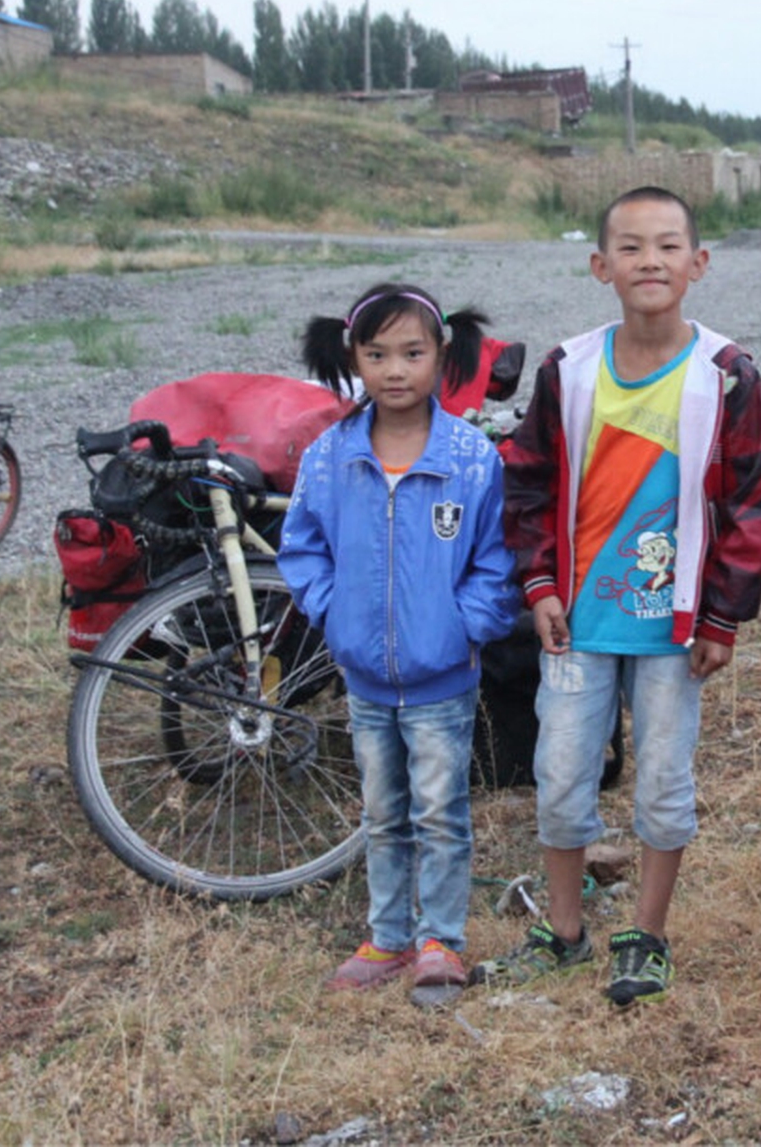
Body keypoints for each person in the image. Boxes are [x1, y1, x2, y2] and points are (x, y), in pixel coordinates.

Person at [476, 185, 761, 1007]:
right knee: (562, 772)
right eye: (633, 247)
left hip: (674, 629)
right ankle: (565, 930)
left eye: (670, 245)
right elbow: (528, 484)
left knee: (663, 783)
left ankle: (646, 933)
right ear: (600, 265)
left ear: (700, 263)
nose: (653, 261)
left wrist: (723, 614)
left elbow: (750, 505)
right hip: (577, 622)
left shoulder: (726, 375)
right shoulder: (569, 371)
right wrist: (538, 584)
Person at [278, 282, 519, 994]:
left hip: (444, 678)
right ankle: (386, 938)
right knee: (383, 812)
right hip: (364, 678)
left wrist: (461, 627)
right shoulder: (331, 457)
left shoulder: (473, 458)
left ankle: (439, 938)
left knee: (441, 810)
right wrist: (337, 614)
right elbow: (302, 547)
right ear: (351, 356)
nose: (394, 369)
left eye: (412, 352)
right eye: (376, 353)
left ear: (443, 353)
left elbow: (497, 561)